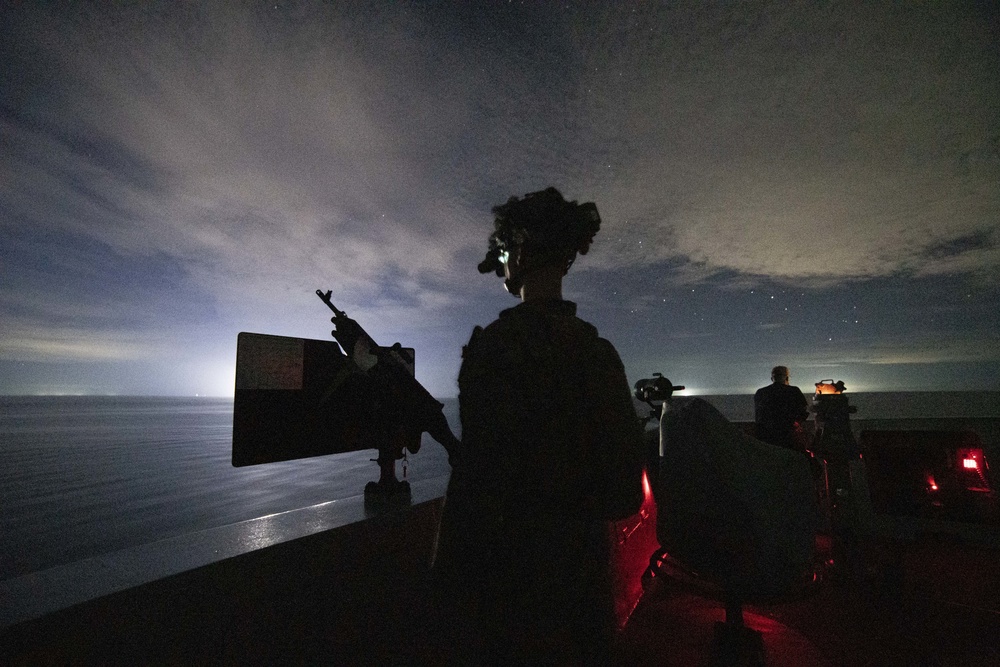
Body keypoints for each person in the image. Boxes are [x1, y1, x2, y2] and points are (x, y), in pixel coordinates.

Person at [433, 187, 644, 665]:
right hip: (585, 588)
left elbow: (475, 491)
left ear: (521, 252)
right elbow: (624, 493)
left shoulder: (494, 351)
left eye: (505, 251)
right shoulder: (599, 354)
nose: (502, 262)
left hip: (510, 591)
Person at [754, 365, 809, 451]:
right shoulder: (794, 391)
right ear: (786, 378)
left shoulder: (761, 392)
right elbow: (803, 410)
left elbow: (759, 415)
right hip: (788, 434)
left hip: (765, 435)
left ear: (772, 378)